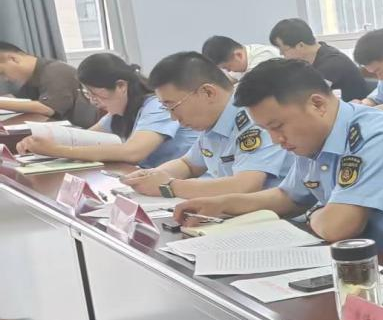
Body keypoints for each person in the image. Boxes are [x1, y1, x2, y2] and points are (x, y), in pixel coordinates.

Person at [172, 59, 383, 253]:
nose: (275, 139)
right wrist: (222, 205)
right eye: (266, 130)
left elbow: (339, 226)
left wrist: (314, 213)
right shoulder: (312, 137)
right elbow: (289, 197)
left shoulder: (377, 136)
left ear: (317, 104)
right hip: (375, 261)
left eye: (278, 126)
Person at [120, 52, 290, 199]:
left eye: (173, 106)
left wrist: (169, 186)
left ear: (208, 93)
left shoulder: (253, 117)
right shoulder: (212, 122)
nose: (173, 117)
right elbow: (188, 165)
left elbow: (245, 186)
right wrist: (151, 176)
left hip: (280, 218)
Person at [16, 54, 196, 167]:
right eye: (87, 94)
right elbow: (82, 139)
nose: (93, 101)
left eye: (95, 94)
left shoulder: (158, 107)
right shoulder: (118, 113)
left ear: (121, 86)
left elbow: (133, 152)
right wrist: (41, 140)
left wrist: (57, 150)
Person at [268, 18, 372, 101]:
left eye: (283, 49)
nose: (281, 54)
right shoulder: (312, 58)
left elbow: (305, 97)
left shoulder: (333, 63)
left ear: (300, 45)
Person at [0, 42, 97, 127]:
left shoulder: (56, 70)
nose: (5, 79)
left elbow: (47, 108)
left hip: (82, 131)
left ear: (13, 59)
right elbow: (19, 101)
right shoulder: (32, 77)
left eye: (2, 73)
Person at [201, 36, 280, 80]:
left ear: (238, 55)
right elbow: (228, 80)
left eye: (227, 67)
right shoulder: (238, 60)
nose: (228, 71)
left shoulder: (265, 55)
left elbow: (250, 86)